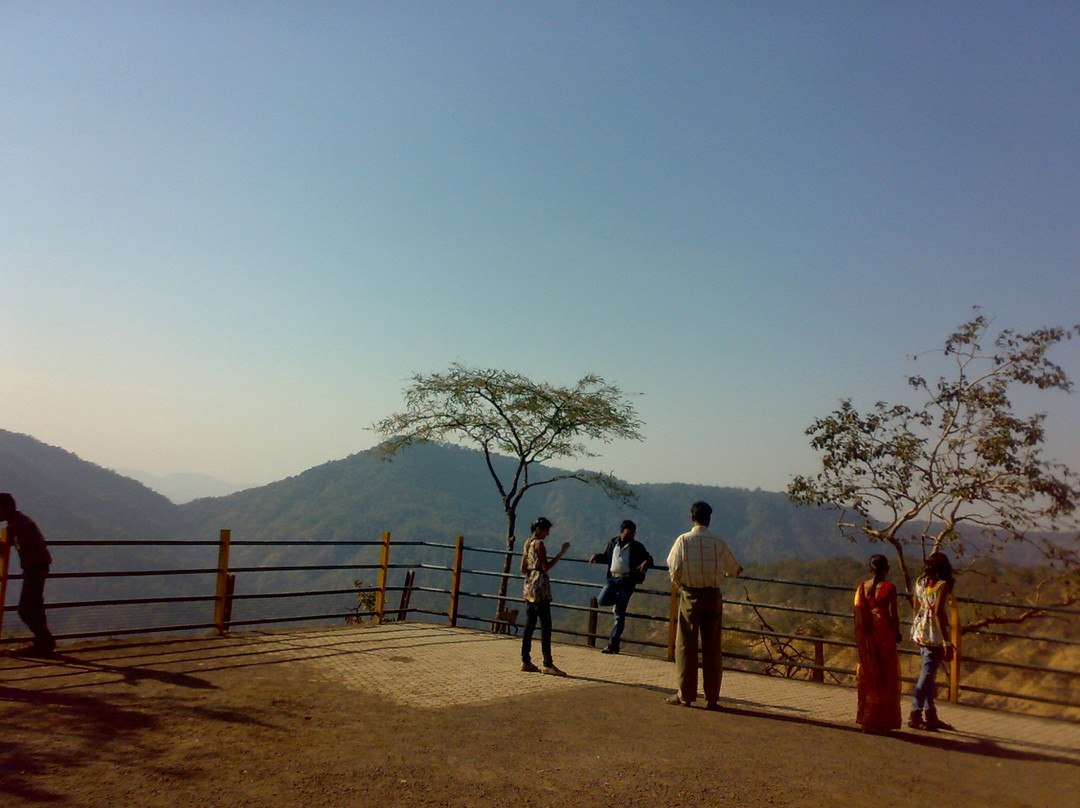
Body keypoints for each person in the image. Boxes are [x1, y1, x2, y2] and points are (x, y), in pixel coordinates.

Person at [665, 501, 741, 709]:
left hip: (690, 594)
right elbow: (735, 569)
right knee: (713, 647)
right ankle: (712, 697)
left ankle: (686, 695)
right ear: (709, 519)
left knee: (685, 646)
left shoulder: (683, 541)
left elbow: (673, 567)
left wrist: (681, 583)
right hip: (712, 596)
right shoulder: (718, 542)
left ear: (692, 518)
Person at [0, 492, 56, 657]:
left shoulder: (19, 524)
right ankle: (44, 643)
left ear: (6, 509)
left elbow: (25, 544)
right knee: (35, 607)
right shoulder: (18, 522)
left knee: (26, 609)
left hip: (35, 568)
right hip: (36, 567)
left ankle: (44, 642)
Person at [589, 519, 654, 654]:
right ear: (622, 532)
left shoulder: (636, 546)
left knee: (619, 614)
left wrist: (646, 563)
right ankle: (619, 600)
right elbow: (607, 557)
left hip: (627, 581)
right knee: (602, 600)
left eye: (633, 533)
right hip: (613, 578)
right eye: (628, 533)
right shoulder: (613, 543)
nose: (631, 536)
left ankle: (613, 644)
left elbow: (649, 558)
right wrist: (596, 556)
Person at [853, 554, 902, 732]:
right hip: (884, 633)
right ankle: (883, 721)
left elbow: (859, 611)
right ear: (886, 569)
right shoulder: (889, 587)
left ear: (870, 569)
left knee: (870, 676)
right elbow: (893, 614)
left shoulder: (862, 587)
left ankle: (867, 719)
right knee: (886, 677)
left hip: (868, 634)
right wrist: (897, 632)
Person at [908, 551, 955, 731]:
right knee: (927, 676)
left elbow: (916, 606)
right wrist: (946, 641)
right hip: (934, 634)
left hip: (921, 630)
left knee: (928, 676)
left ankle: (930, 713)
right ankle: (915, 712)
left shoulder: (920, 581)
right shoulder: (941, 585)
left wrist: (915, 629)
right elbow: (938, 613)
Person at [520, 517, 570, 676]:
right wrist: (561, 553)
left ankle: (525, 660)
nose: (548, 533)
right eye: (546, 530)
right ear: (539, 530)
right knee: (545, 625)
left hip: (529, 585)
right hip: (540, 586)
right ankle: (547, 663)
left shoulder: (527, 543)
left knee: (530, 624)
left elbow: (523, 568)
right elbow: (545, 566)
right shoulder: (539, 544)